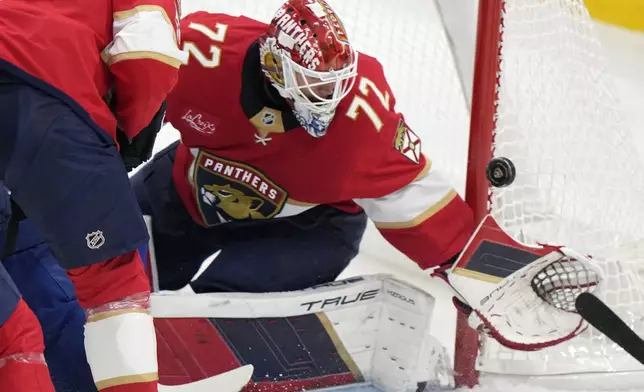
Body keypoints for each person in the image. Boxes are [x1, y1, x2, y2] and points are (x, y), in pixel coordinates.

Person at [2, 0, 474, 389]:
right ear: (273, 61)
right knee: (110, 271)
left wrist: (480, 268)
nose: (324, 98)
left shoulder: (367, 116)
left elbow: (424, 204)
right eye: (311, 83)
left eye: (332, 85)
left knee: (213, 317)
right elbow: (123, 76)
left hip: (310, 225)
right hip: (192, 191)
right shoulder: (204, 51)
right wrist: (103, 143)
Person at [0, 0, 186, 390]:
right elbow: (147, 55)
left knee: (11, 332)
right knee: (113, 284)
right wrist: (125, 132)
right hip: (40, 90)